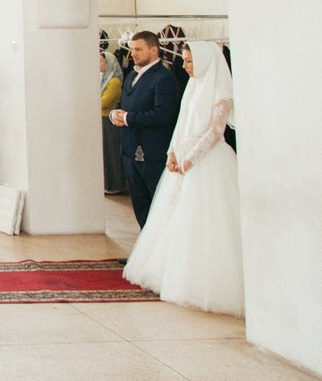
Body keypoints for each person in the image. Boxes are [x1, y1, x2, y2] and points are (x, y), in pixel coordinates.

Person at [123, 41, 243, 316]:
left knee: (205, 222)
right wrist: (173, 153)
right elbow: (181, 125)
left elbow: (215, 131)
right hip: (184, 160)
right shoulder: (192, 87)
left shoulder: (221, 92)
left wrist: (191, 158)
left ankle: (203, 283)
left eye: (190, 62)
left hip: (208, 161)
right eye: (185, 61)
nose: (186, 67)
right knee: (175, 219)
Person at [109, 30, 182, 227]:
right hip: (130, 149)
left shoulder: (164, 78)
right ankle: (145, 251)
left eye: (139, 49)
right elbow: (125, 104)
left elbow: (164, 114)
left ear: (154, 50)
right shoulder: (132, 74)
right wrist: (116, 113)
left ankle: (160, 252)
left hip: (152, 151)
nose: (133, 54)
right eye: (132, 49)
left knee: (157, 202)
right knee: (140, 203)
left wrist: (128, 118)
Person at [100, 52, 127, 195]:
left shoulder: (114, 82)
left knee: (111, 152)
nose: (99, 65)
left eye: (102, 62)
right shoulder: (103, 79)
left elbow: (104, 102)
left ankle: (114, 183)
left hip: (109, 121)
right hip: (102, 119)